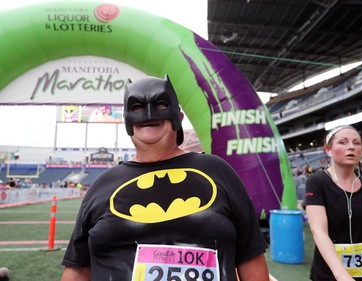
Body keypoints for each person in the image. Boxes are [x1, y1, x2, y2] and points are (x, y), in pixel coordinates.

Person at [61, 75, 269, 281]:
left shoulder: (218, 172)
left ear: (178, 116)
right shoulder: (102, 186)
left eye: (161, 104)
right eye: (136, 107)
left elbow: (249, 256)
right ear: (126, 120)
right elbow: (78, 268)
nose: (148, 114)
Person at [302, 125, 362, 281]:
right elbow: (319, 231)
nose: (351, 147)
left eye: (356, 143)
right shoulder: (317, 182)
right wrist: (341, 275)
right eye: (343, 142)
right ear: (328, 150)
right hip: (330, 275)